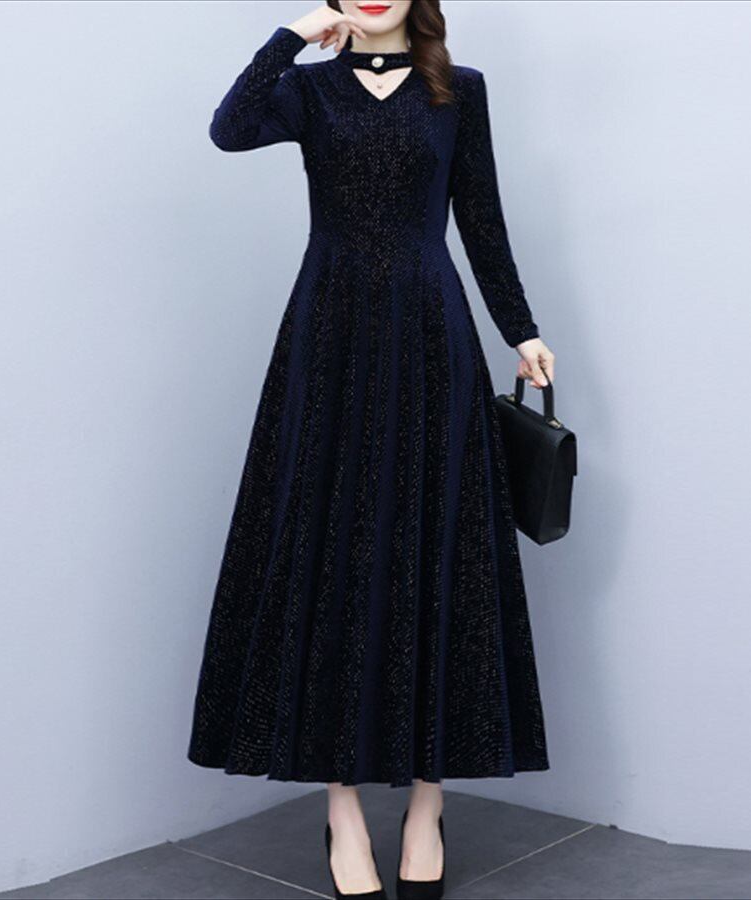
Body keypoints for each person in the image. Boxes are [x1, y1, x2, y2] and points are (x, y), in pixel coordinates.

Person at [187, 2, 555, 897]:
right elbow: (229, 129)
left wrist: (521, 330)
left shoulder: (459, 90)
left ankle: (428, 806)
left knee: (439, 545)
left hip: (431, 329)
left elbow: (481, 217)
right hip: (330, 330)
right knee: (333, 549)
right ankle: (342, 811)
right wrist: (291, 36)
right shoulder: (308, 92)